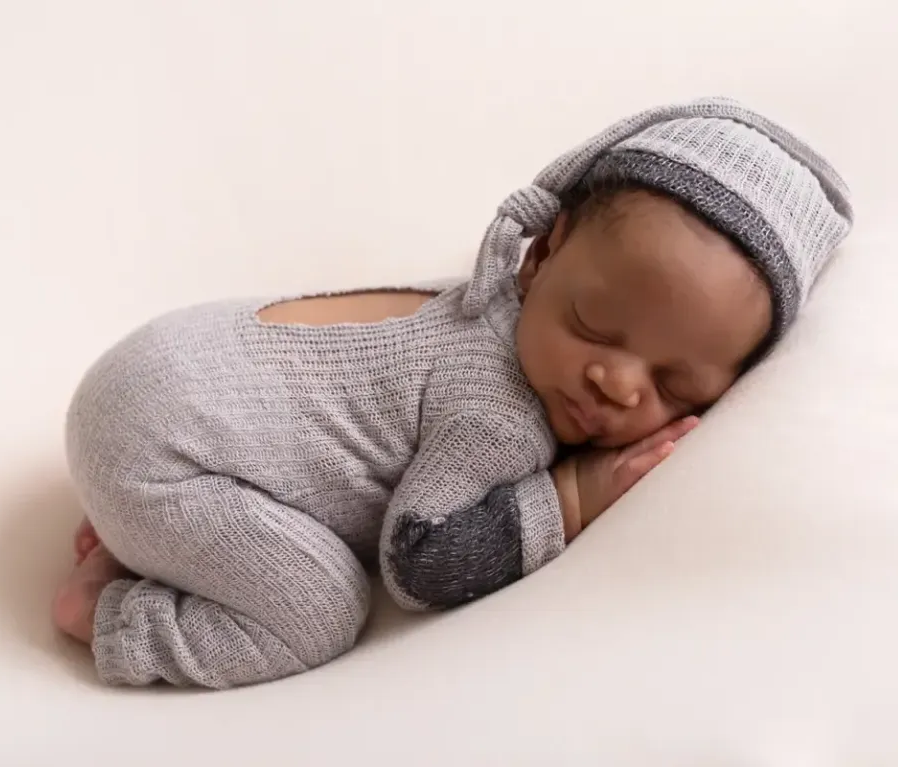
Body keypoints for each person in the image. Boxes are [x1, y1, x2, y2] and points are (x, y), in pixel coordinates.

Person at [52, 97, 853, 688]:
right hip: (162, 452)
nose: (615, 380)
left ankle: (150, 523)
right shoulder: (498, 413)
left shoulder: (498, 303)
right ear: (542, 253)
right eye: (596, 327)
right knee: (321, 610)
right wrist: (573, 495)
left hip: (158, 371)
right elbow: (420, 560)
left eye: (674, 383)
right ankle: (115, 612)